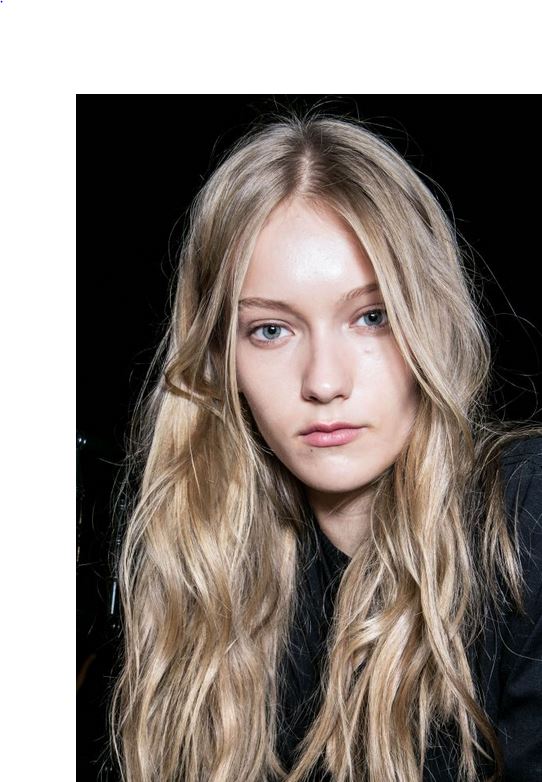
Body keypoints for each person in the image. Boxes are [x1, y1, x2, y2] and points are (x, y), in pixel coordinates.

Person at [108, 109, 542, 782]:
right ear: (221, 359)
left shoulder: (523, 518)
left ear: (430, 321)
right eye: (270, 331)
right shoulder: (204, 567)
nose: (323, 381)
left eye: (372, 317)